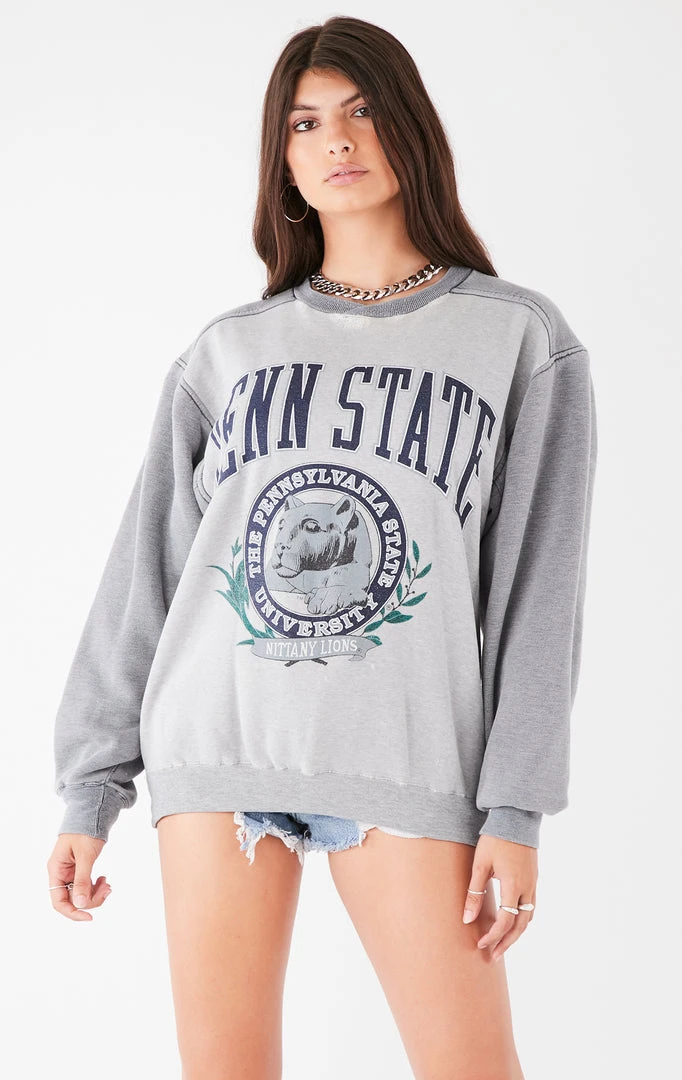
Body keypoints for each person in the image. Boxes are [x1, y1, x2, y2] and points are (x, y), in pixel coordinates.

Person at [47, 15, 598, 1080]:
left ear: (410, 128)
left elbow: (542, 591)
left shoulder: (518, 338)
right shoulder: (229, 350)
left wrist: (516, 807)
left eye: (361, 110)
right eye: (305, 123)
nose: (337, 139)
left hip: (406, 755)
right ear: (284, 163)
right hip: (216, 741)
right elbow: (147, 573)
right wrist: (91, 788)